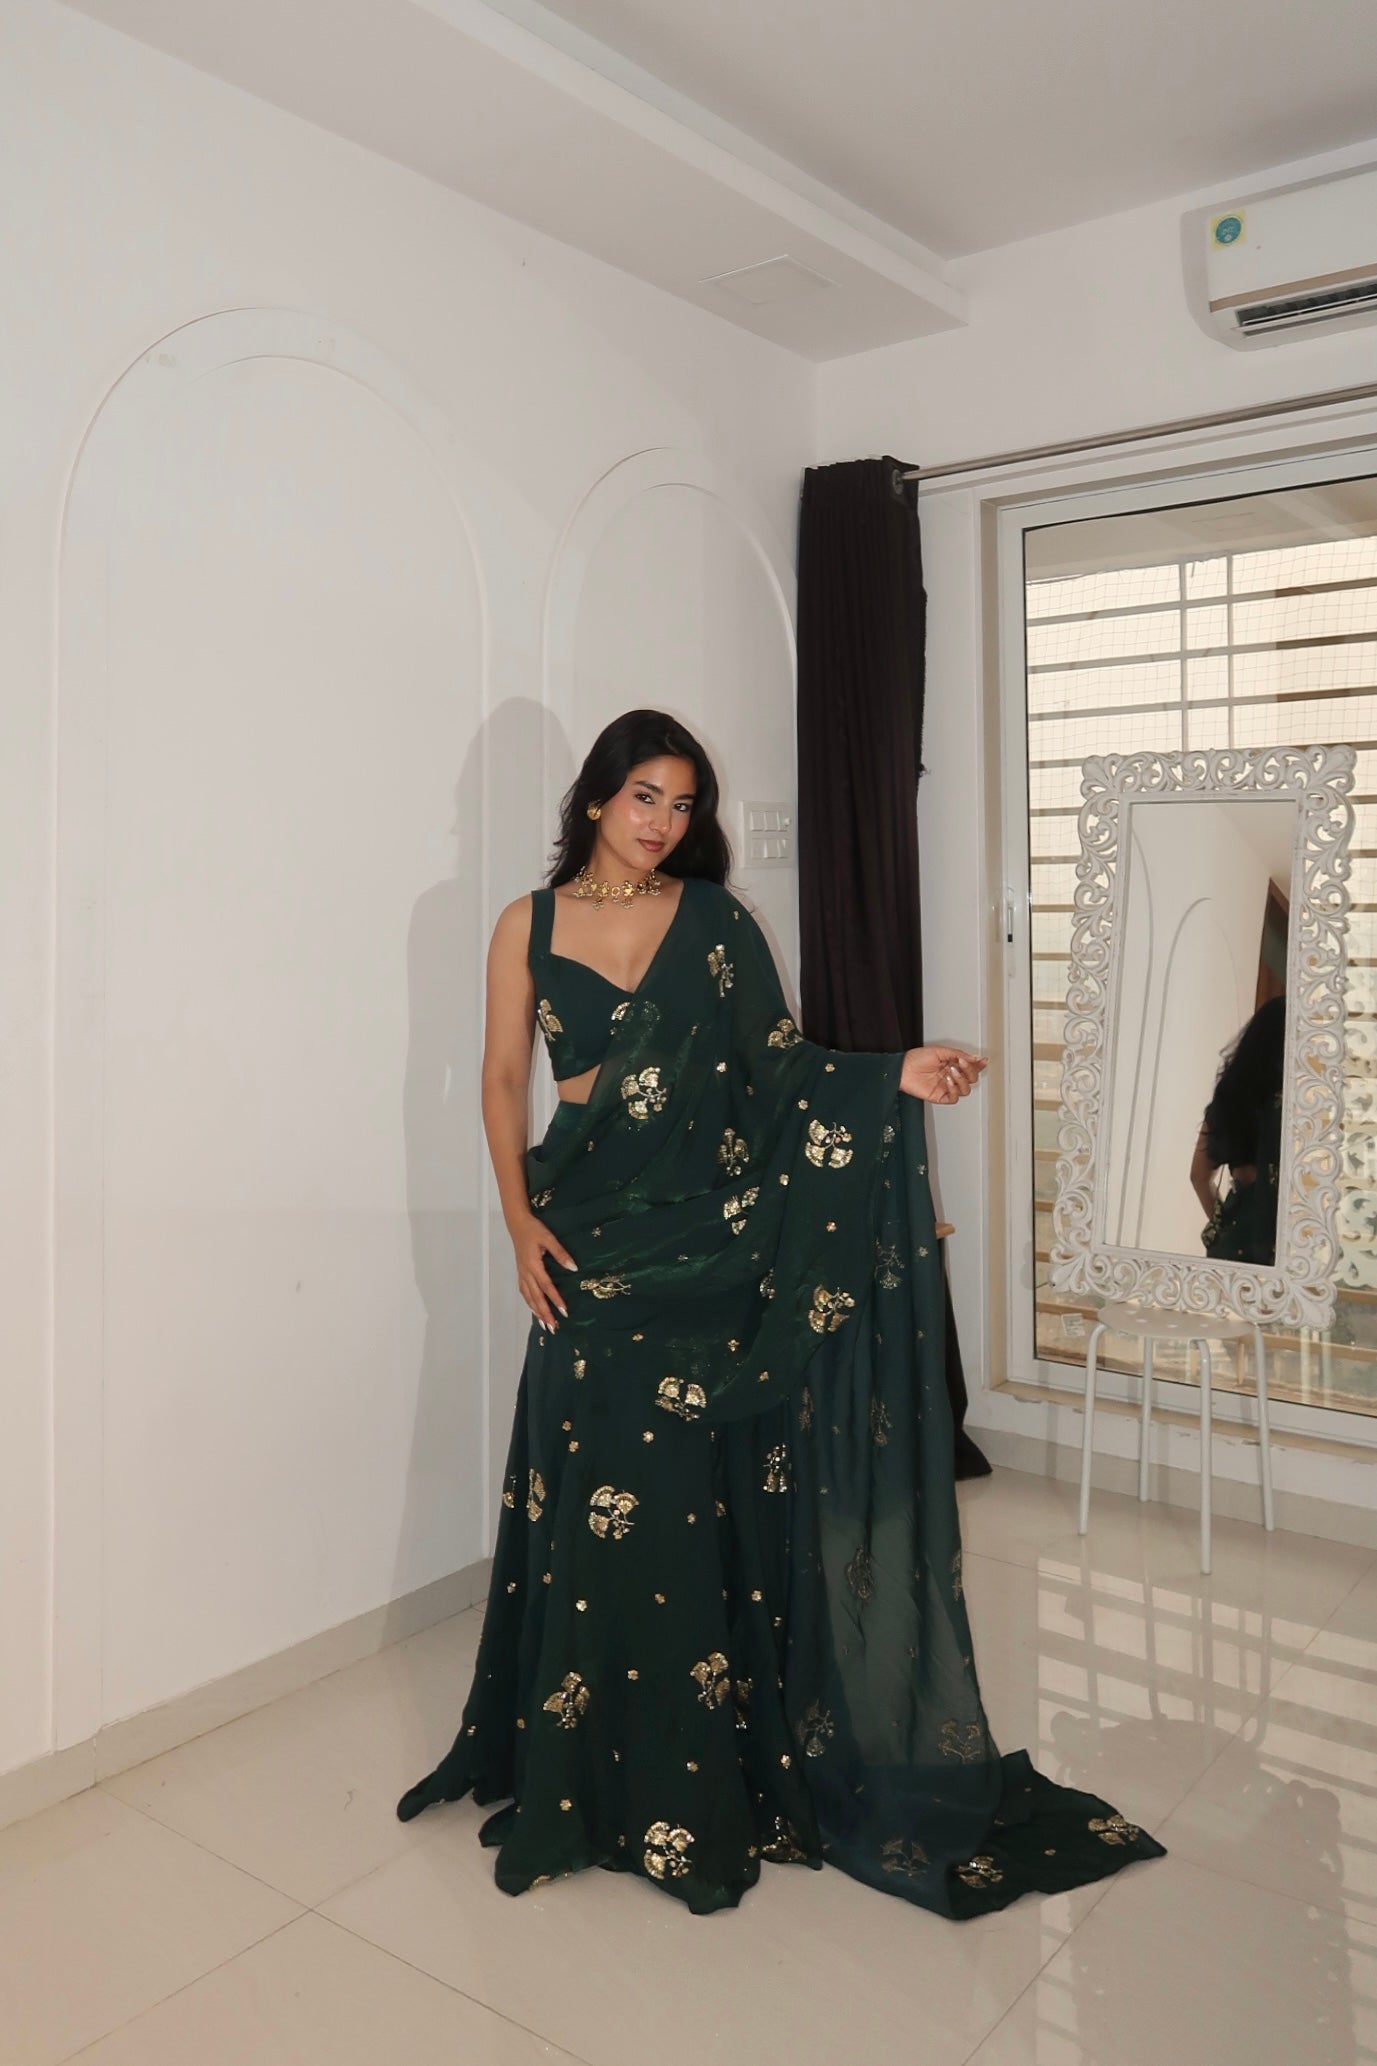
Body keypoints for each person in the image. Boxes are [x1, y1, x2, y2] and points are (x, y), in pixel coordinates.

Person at [396, 710, 1166, 1917]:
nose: (664, 823)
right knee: (593, 1483)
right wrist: (515, 1218)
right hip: (586, 1238)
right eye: (645, 797)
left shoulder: (714, 921)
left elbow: (782, 1063)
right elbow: (497, 1078)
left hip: (709, 1240)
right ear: (596, 796)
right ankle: (584, 1759)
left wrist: (894, 1070)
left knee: (687, 1487)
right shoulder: (524, 925)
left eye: (683, 804)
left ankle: (703, 1758)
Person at [1192, 995, 1286, 1266]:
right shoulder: (1295, 1104)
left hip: (1235, 1236)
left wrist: (1221, 1225)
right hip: (1281, 1233)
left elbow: (1198, 1176)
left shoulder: (1231, 1096)